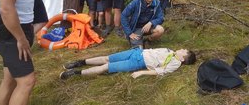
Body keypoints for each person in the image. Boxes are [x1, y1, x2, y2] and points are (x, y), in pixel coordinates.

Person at [59, 47, 196, 80]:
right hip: (137, 52)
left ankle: (75, 73)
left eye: (184, 51)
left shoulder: (175, 63)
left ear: (183, 58)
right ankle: (79, 62)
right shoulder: (171, 51)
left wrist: (141, 72)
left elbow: (160, 71)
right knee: (107, 58)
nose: (182, 49)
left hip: (137, 62)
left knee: (106, 67)